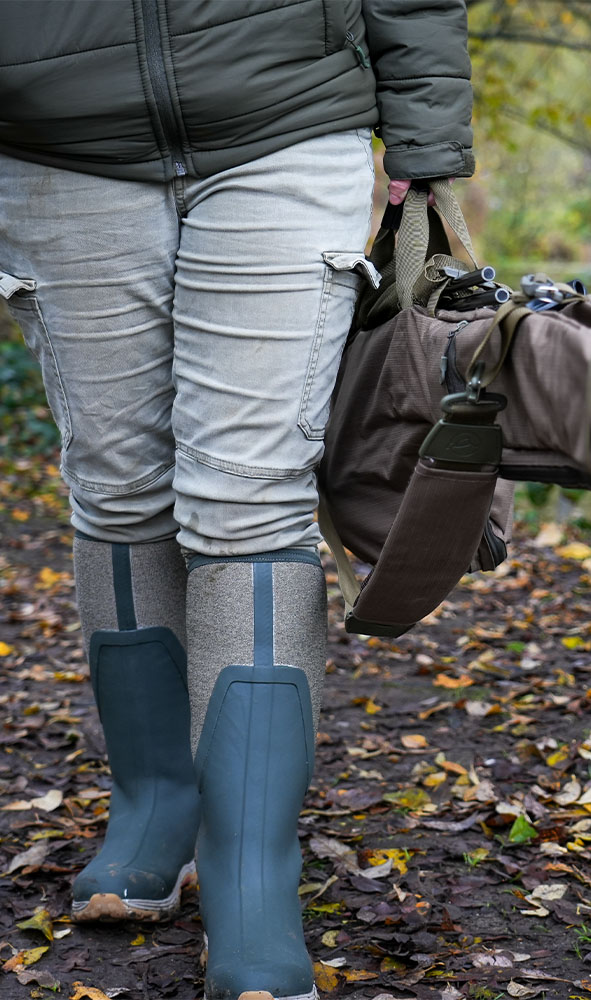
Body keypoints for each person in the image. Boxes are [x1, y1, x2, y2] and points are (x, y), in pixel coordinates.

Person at [0, 3, 474, 998]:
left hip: (284, 119)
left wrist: (427, 131)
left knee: (249, 498)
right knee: (117, 489)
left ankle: (252, 870)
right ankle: (155, 801)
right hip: (55, 141)